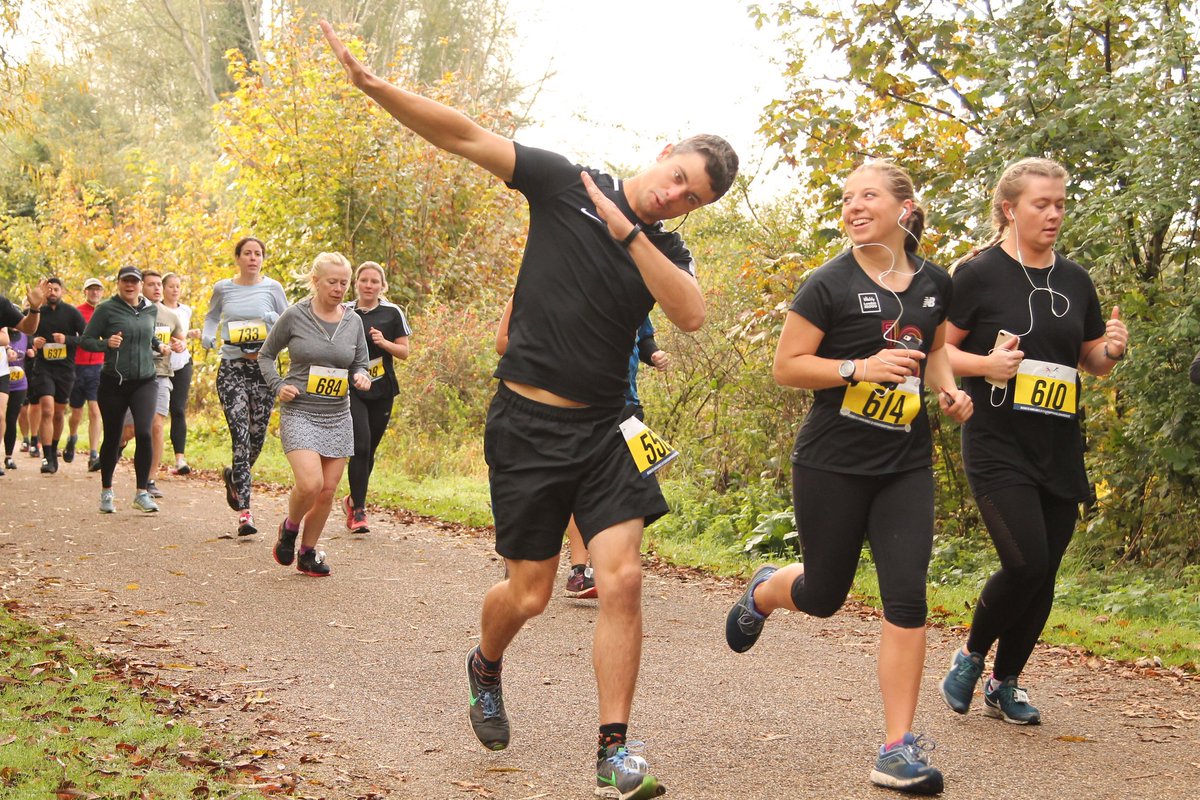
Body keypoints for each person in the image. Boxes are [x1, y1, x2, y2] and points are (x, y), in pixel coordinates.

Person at [322, 20, 738, 799]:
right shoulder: (562, 182)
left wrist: (632, 236)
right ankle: (485, 664)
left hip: (611, 428)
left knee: (622, 579)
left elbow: (690, 315)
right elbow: (466, 135)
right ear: (663, 150)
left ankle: (614, 748)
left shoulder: (666, 252)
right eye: (677, 174)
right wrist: (376, 88)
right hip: (527, 422)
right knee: (531, 593)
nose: (675, 194)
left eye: (692, 197)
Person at [724, 161, 972, 795]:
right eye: (846, 198)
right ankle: (766, 591)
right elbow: (787, 366)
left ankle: (897, 748)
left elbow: (937, 347)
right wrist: (859, 367)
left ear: (905, 209)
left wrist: (949, 391)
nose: (854, 206)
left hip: (905, 464)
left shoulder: (935, 283)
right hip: (832, 462)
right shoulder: (827, 284)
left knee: (907, 596)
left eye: (869, 196)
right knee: (826, 595)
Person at [938, 158, 1128, 726]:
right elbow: (937, 352)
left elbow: (1089, 362)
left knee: (1045, 572)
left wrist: (1111, 351)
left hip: (1058, 443)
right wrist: (987, 364)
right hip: (997, 440)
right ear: (1009, 209)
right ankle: (971, 655)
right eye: (1041, 204)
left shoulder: (1074, 279)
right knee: (1025, 562)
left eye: (1060, 204)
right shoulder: (975, 274)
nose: (1053, 214)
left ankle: (1005, 683)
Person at [496, 301, 669, 600]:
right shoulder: (552, 286)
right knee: (561, 489)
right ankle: (531, 558)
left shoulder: (633, 291)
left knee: (632, 489)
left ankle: (595, 569)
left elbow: (644, 337)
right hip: (565, 406)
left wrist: (654, 355)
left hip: (626, 406)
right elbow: (504, 343)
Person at [259, 252, 370, 577]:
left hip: (337, 414)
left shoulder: (353, 321)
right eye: (332, 282)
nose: (338, 288)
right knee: (310, 483)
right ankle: (290, 528)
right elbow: (266, 355)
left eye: (343, 283)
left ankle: (307, 553)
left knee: (327, 491)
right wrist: (279, 385)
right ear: (316, 282)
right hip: (300, 411)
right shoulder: (295, 315)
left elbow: (360, 362)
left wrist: (362, 376)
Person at [201, 236, 289, 536]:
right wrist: (208, 334)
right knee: (239, 435)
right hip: (232, 369)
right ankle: (245, 513)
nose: (253, 258)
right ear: (238, 258)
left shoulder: (273, 288)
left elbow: (289, 324)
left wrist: (273, 318)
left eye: (258, 253)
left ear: (263, 258)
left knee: (256, 439)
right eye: (247, 253)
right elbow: (212, 316)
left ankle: (234, 476)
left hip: (263, 370)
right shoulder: (223, 288)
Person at [78, 266, 173, 513]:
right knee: (112, 437)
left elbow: (149, 335)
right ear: (119, 284)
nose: (130, 285)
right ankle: (107, 491)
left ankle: (141, 493)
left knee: (144, 432)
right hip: (114, 382)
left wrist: (160, 346)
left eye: (134, 281)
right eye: (125, 281)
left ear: (140, 285)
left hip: (145, 381)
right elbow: (86, 340)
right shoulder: (106, 309)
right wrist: (106, 344)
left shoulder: (150, 309)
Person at [342, 261, 411, 533]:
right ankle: (359, 510)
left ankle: (351, 499)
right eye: (364, 280)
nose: (369, 285)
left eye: (374, 281)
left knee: (369, 450)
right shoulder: (345, 311)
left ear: (382, 286)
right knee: (360, 445)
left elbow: (404, 352)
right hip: (353, 387)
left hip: (382, 389)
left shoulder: (392, 312)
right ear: (356, 283)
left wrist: (384, 344)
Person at [28, 277, 88, 474]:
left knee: (59, 413)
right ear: (44, 291)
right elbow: (23, 331)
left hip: (65, 369)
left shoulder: (72, 313)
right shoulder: (36, 312)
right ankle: (46, 457)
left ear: (62, 291)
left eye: (56, 289)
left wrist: (68, 339)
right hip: (43, 368)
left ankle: (53, 451)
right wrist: (33, 341)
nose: (52, 292)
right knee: (47, 409)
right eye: (49, 289)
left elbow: (87, 337)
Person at [139, 271, 185, 499]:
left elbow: (180, 340)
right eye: (151, 285)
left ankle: (149, 479)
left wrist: (178, 346)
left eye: (159, 285)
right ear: (141, 287)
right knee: (130, 430)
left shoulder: (170, 315)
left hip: (161, 374)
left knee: (157, 425)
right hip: (135, 376)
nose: (157, 288)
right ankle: (115, 450)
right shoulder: (133, 313)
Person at [161, 272, 200, 475]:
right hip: (160, 364)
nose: (175, 290)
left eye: (178, 286)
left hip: (182, 362)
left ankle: (180, 460)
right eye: (171, 286)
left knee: (178, 409)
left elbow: (181, 333)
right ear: (163, 288)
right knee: (155, 413)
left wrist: (191, 334)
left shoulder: (186, 310)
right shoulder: (155, 310)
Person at [65, 278, 106, 471]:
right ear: (85, 292)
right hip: (77, 366)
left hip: (98, 366)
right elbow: (69, 338)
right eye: (91, 289)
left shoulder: (106, 312)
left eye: (98, 290)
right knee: (76, 413)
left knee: (95, 410)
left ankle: (93, 453)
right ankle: (72, 436)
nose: (94, 293)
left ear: (102, 293)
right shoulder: (76, 312)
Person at [3, 327, 30, 471]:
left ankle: (8, 457)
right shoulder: (3, 335)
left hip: (19, 384)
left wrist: (32, 352)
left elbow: (31, 353)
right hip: (2, 381)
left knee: (11, 418)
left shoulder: (25, 336)